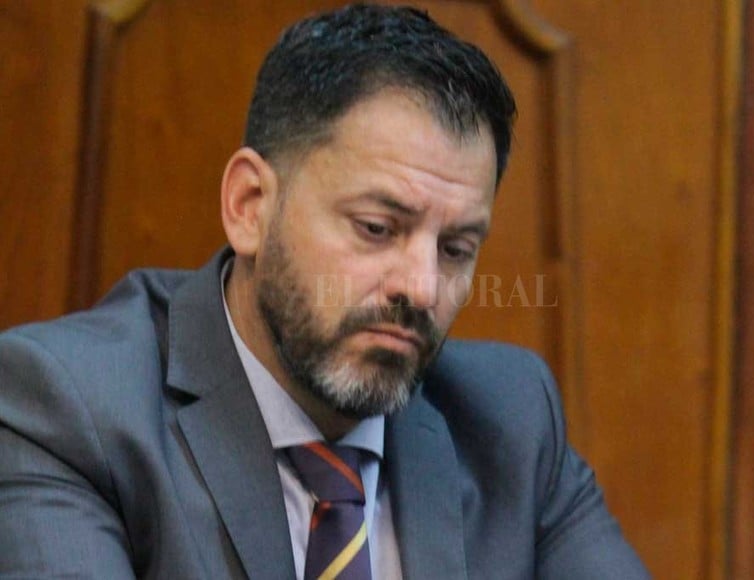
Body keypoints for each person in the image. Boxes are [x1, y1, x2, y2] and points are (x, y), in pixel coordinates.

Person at [0, 3, 648, 579]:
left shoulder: (512, 421)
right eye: (376, 228)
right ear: (250, 205)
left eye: (455, 249)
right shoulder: (67, 409)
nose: (421, 288)